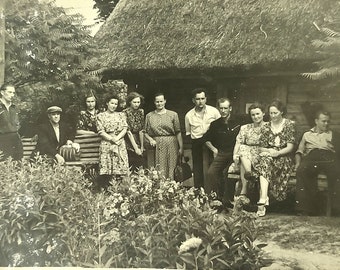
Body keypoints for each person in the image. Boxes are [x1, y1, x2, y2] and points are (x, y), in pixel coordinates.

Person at [253, 100, 296, 217]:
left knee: (265, 163)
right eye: (271, 113)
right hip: (270, 156)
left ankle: (263, 199)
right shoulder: (266, 127)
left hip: (284, 157)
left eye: (275, 113)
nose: (272, 116)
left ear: (281, 112)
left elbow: (290, 147)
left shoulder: (289, 125)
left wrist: (277, 153)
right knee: (264, 161)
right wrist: (269, 152)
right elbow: (261, 147)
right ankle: (263, 198)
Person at [295, 110, 340, 216]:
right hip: (312, 157)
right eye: (324, 121)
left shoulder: (334, 134)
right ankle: (306, 209)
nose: (326, 124)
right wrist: (297, 163)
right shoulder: (307, 135)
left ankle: (335, 208)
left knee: (337, 171)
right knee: (302, 170)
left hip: (328, 157)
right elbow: (299, 152)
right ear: (316, 121)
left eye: (328, 121)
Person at [204, 98, 241, 205]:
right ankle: (215, 199)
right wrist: (214, 149)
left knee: (226, 173)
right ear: (218, 109)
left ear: (230, 109)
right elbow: (206, 139)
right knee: (211, 172)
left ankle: (227, 200)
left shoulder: (238, 122)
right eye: (221, 108)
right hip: (222, 153)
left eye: (226, 108)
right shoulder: (215, 124)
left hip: (235, 153)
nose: (223, 111)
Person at [185, 88, 220, 188]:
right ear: (193, 100)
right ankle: (199, 192)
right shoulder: (189, 115)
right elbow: (188, 133)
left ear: (206, 99)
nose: (200, 101)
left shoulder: (214, 111)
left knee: (212, 168)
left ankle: (214, 192)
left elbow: (219, 128)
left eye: (202, 98)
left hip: (212, 142)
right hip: (197, 143)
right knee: (197, 169)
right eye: (197, 99)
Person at [144, 93, 183, 180]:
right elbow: (145, 132)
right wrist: (150, 139)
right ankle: (161, 188)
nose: (159, 103)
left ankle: (172, 188)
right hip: (157, 144)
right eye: (157, 102)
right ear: (154, 102)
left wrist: (181, 147)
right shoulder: (149, 116)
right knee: (160, 166)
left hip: (171, 142)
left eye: (161, 101)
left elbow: (178, 132)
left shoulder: (173, 115)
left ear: (165, 101)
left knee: (172, 165)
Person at [233, 102, 266, 198]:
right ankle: (249, 173)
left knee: (244, 157)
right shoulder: (245, 128)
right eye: (253, 115)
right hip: (246, 156)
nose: (255, 117)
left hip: (261, 154)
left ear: (263, 113)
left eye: (258, 114)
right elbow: (238, 143)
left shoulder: (268, 127)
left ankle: (244, 189)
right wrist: (235, 156)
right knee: (243, 148)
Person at [96, 94, 129, 181]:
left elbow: (125, 128)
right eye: (112, 103)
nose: (114, 106)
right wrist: (111, 139)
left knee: (120, 167)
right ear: (107, 103)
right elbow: (101, 131)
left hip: (119, 142)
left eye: (115, 104)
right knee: (107, 168)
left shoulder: (121, 115)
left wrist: (117, 138)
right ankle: (108, 188)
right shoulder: (100, 116)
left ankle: (120, 189)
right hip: (107, 142)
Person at [123, 92, 146, 172]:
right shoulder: (125, 113)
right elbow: (128, 132)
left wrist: (142, 146)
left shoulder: (141, 112)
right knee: (131, 162)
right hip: (129, 140)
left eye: (138, 102)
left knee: (140, 163)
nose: (137, 104)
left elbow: (141, 130)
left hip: (139, 138)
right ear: (130, 102)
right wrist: (136, 148)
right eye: (134, 102)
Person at [0, 84, 23, 161]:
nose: (12, 95)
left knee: (18, 166)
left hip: (16, 140)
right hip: (2, 141)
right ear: (2, 92)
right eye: (10, 92)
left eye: (13, 93)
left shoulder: (14, 107)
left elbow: (17, 124)